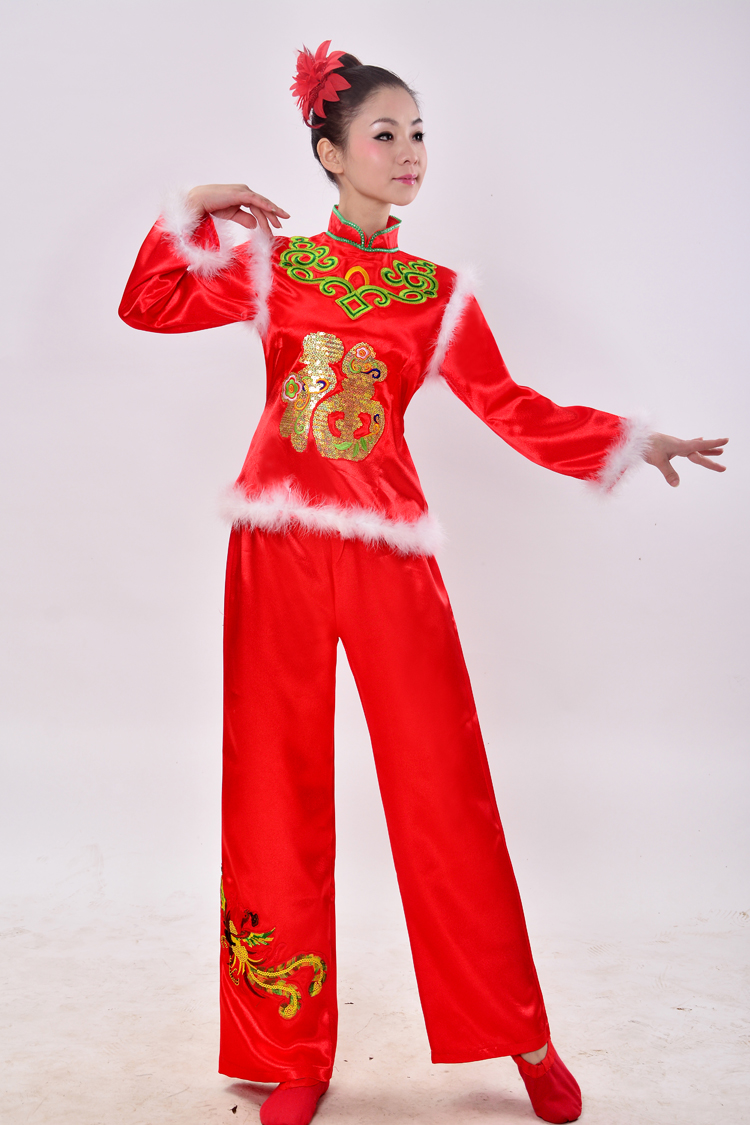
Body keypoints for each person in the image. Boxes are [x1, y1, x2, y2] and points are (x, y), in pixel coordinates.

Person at [119, 41, 727, 1125]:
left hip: (390, 554)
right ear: (330, 152)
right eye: (384, 134)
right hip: (275, 548)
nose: (408, 153)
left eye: (417, 134)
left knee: (445, 787)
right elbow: (150, 304)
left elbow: (512, 406)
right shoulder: (275, 268)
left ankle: (522, 1035)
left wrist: (632, 441)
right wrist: (198, 205)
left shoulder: (436, 294)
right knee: (271, 789)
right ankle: (289, 1047)